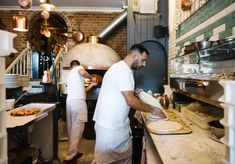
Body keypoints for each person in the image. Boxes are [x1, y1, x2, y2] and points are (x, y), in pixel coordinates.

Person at [92, 44, 166, 164]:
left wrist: (135, 95)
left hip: (116, 126)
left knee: (120, 159)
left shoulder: (123, 70)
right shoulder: (122, 71)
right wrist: (153, 110)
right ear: (134, 55)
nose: (144, 64)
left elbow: (124, 96)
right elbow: (129, 100)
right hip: (110, 129)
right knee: (106, 161)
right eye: (143, 60)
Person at [64, 60, 97, 162]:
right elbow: (82, 72)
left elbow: (83, 90)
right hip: (78, 103)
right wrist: (91, 77)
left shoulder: (70, 75)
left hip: (70, 102)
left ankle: (73, 151)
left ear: (70, 67)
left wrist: (91, 85)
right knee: (78, 127)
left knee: (71, 128)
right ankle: (70, 156)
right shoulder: (78, 69)